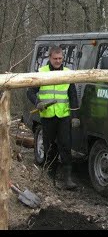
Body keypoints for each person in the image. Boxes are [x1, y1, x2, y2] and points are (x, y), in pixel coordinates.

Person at [27, 46, 80, 190]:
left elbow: (73, 96)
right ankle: (50, 177)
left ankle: (68, 179)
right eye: (55, 58)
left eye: (60, 58)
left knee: (66, 145)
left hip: (63, 116)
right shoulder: (41, 73)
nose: (58, 61)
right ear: (49, 58)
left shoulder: (68, 73)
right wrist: (38, 103)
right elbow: (30, 92)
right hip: (48, 116)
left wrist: (75, 116)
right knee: (50, 147)